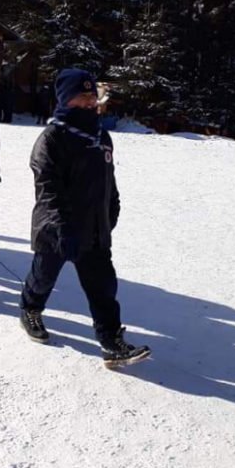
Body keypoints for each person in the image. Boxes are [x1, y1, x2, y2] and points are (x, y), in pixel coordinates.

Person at [19, 68, 151, 369]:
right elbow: (47, 190)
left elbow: (108, 177)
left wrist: (112, 207)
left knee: (104, 287)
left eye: (93, 96)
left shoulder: (100, 136)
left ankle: (111, 342)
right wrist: (61, 228)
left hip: (94, 227)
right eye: (82, 97)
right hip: (57, 229)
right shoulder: (51, 139)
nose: (90, 102)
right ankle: (29, 308)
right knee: (43, 278)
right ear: (66, 100)